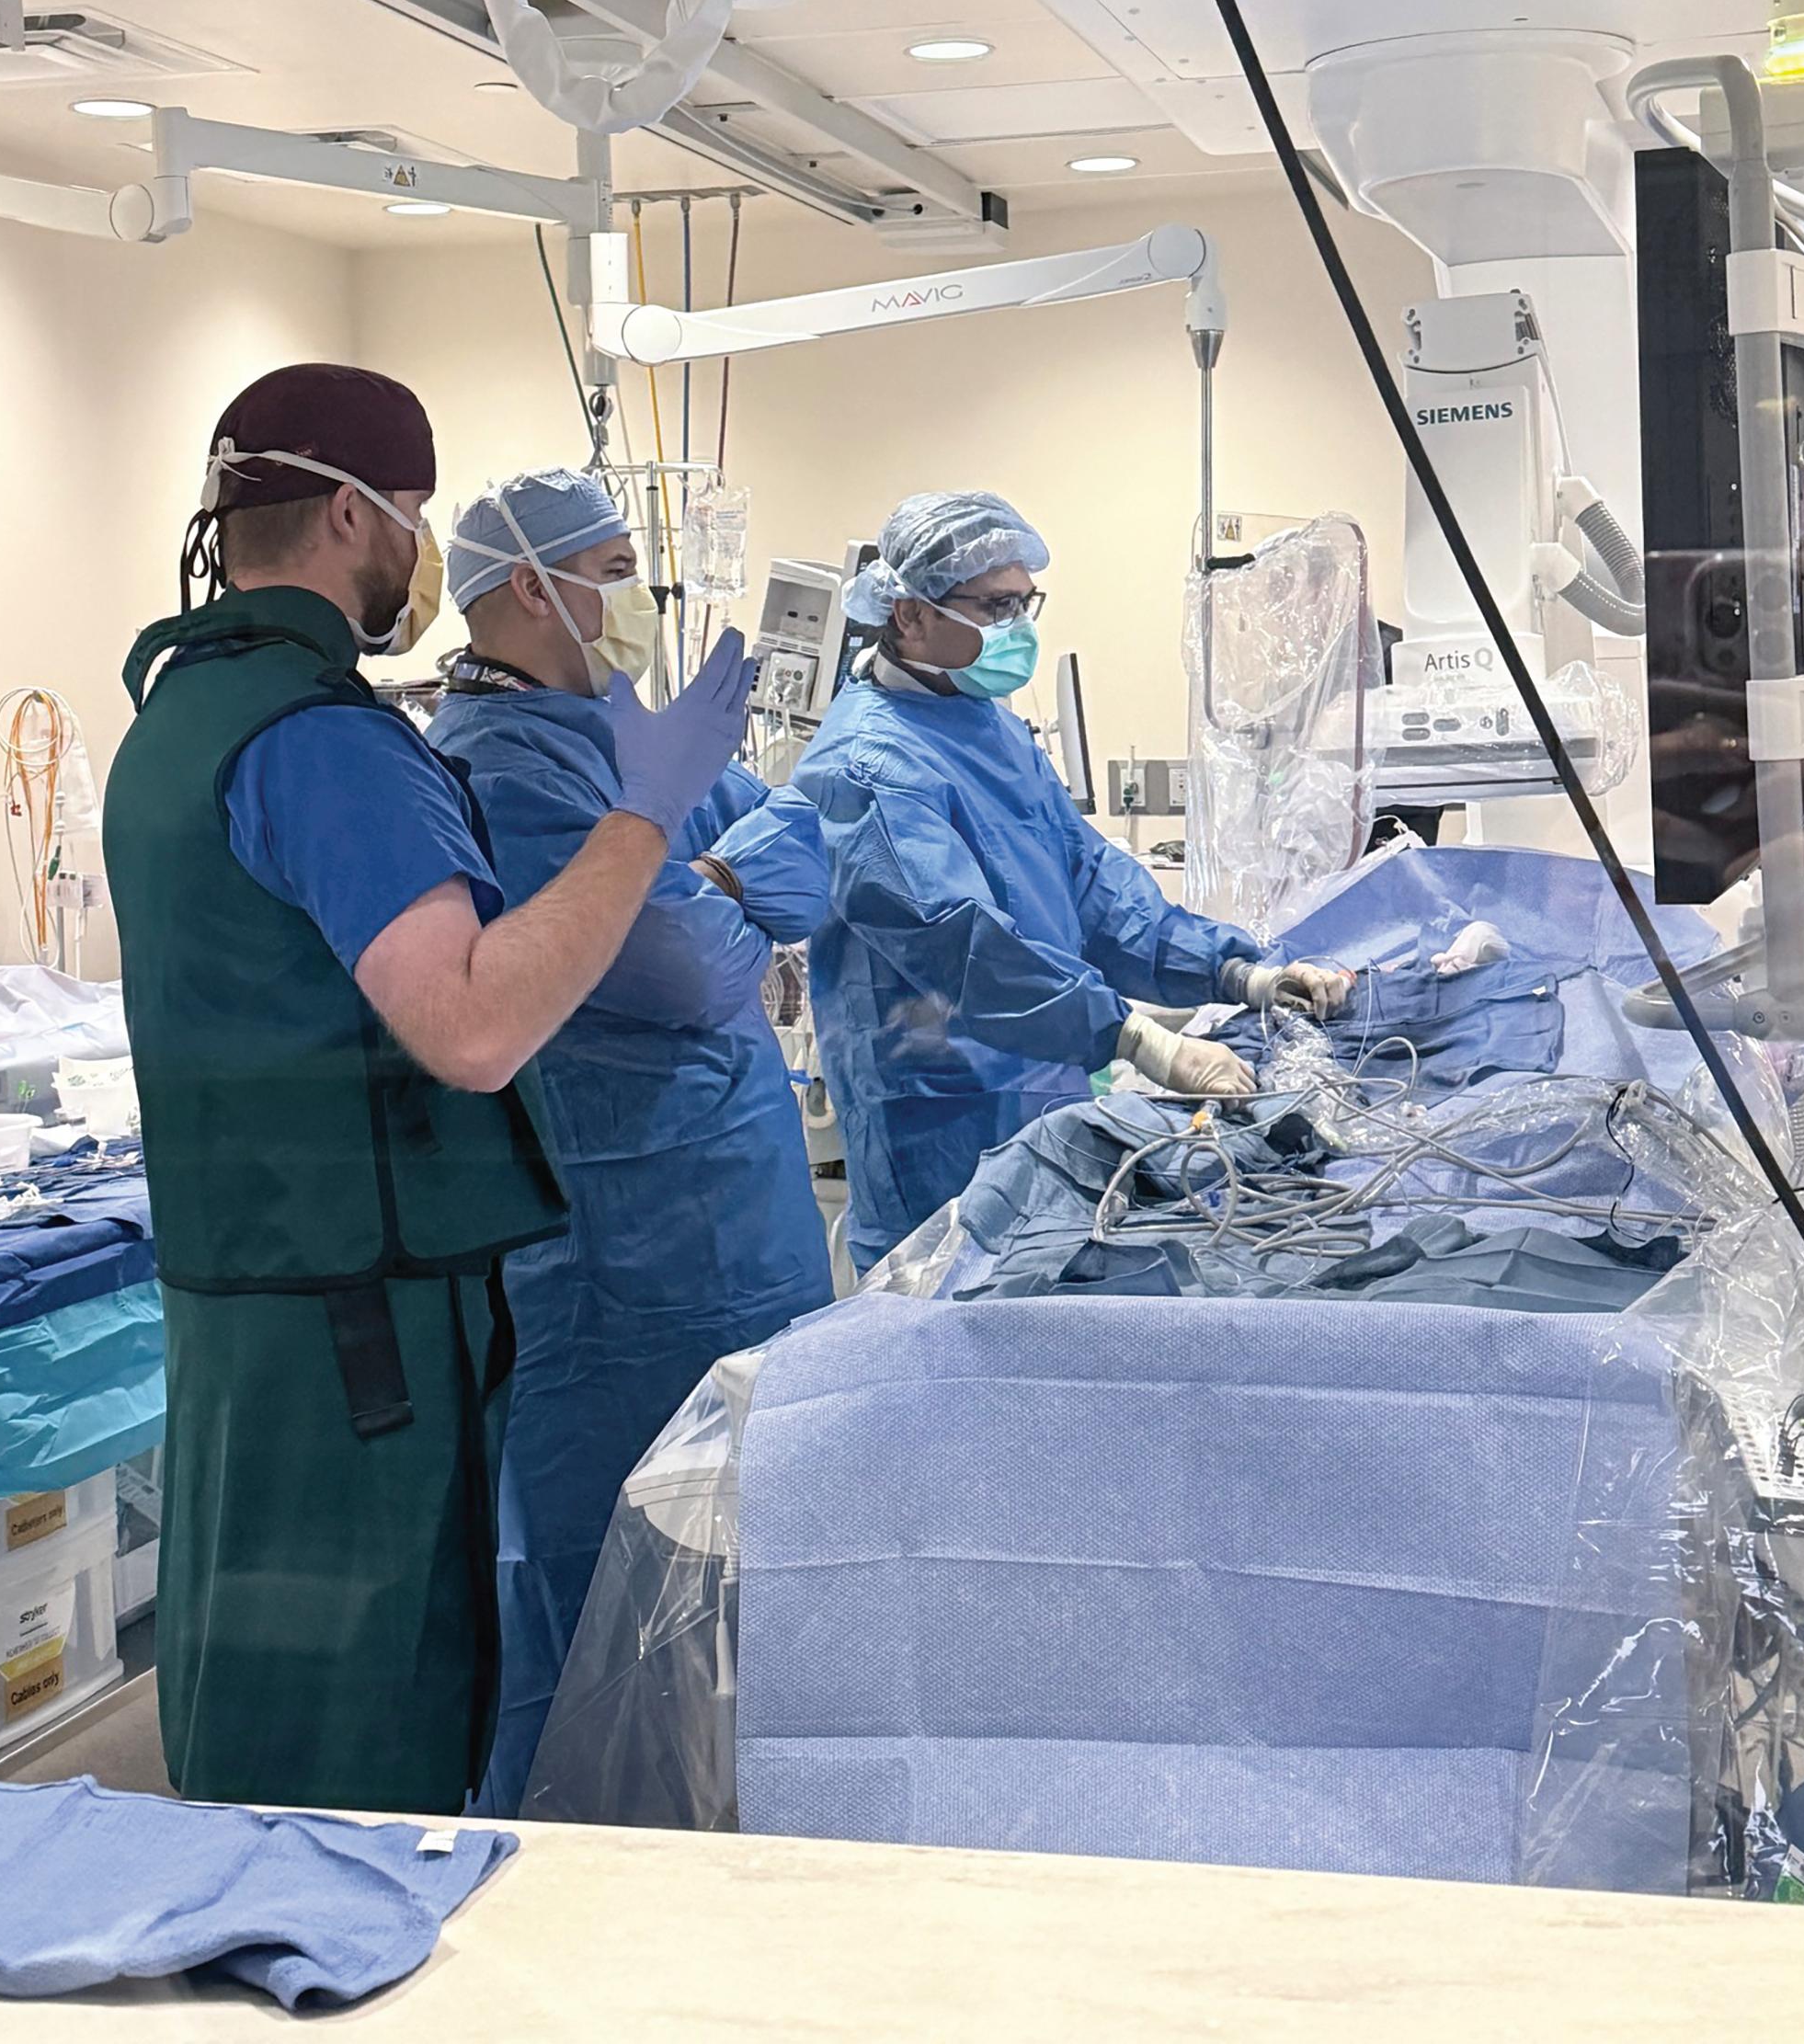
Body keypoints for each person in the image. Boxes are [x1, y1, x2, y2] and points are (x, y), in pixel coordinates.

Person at [101, 366, 755, 1815]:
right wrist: (646, 820)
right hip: (357, 1333)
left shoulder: (179, 716)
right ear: (351, 514)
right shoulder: (324, 743)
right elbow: (471, 1027)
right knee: (362, 1725)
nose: (420, 552)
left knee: (259, 1686)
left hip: (252, 1297)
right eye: (411, 512)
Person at [427, 468, 833, 1813]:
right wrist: (707, 885)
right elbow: (695, 970)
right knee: (599, 1603)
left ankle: (711, 1838)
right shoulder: (499, 769)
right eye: (610, 568)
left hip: (735, 1227)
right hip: (619, 1259)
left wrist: (700, 877)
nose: (640, 594)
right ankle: (560, 1862)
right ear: (526, 585)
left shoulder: (621, 733)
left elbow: (804, 856)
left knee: (737, 1594)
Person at [794, 491, 1351, 1270]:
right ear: (910, 614)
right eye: (996, 606)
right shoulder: (867, 766)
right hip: (940, 1121)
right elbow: (965, 948)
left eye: (1026, 603)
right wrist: (1137, 1040)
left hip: (1047, 1090)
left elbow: (1093, 888)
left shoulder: (990, 729)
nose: (1018, 627)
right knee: (962, 1322)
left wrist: (1236, 972)